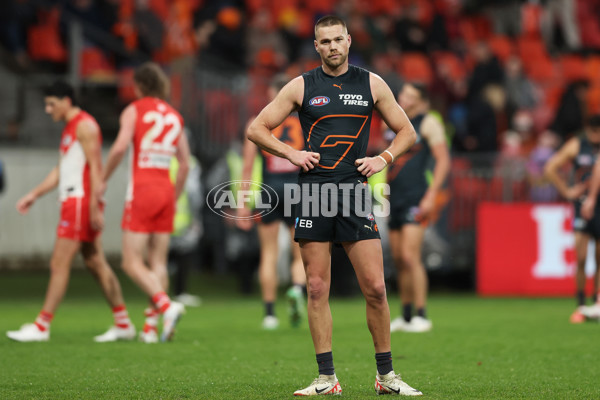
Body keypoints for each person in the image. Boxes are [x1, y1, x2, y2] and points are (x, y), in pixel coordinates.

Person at [247, 15, 422, 396]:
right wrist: (291, 153)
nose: (331, 47)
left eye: (337, 40)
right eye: (324, 42)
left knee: (375, 287)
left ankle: (386, 377)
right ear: (316, 46)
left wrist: (384, 158)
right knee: (314, 287)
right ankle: (327, 378)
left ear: (349, 41)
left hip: (355, 193)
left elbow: (408, 131)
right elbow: (256, 128)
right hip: (313, 194)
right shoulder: (301, 85)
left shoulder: (371, 83)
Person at [7, 81, 135, 343]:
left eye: (51, 103)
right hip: (76, 202)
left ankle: (42, 326)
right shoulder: (70, 129)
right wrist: (34, 194)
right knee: (95, 263)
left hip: (80, 202)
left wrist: (95, 206)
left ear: (67, 100)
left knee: (59, 263)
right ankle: (123, 322)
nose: (47, 109)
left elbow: (96, 167)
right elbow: (61, 169)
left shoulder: (85, 126)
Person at [103, 62, 190, 343]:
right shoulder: (175, 116)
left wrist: (102, 179)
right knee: (158, 262)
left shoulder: (135, 110)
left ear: (138, 86)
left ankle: (167, 306)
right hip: (166, 188)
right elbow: (185, 164)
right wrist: (174, 197)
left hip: (143, 188)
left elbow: (118, 147)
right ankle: (152, 328)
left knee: (130, 262)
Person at [237, 74, 306, 330]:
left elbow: (247, 167)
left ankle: (269, 314)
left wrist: (243, 204)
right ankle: (298, 290)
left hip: (268, 190)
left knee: (268, 253)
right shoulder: (305, 122)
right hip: (298, 190)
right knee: (301, 253)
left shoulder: (258, 122)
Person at [387, 83, 450, 333]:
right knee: (399, 260)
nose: (405, 98)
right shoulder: (390, 121)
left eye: (411, 96)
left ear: (422, 101)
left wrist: (431, 194)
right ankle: (406, 315)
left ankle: (422, 314)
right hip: (394, 196)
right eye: (404, 94)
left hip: (416, 195)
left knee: (411, 257)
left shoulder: (428, 123)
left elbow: (443, 159)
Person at [545, 114, 600, 323]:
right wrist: (567, 191)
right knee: (581, 256)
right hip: (581, 206)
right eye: (593, 132)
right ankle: (580, 303)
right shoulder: (578, 144)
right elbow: (550, 167)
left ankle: (596, 303)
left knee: (599, 258)